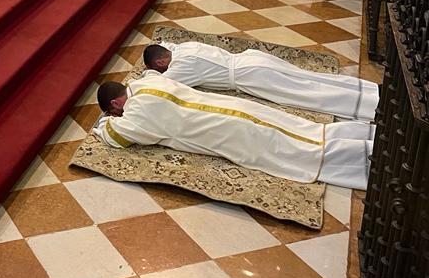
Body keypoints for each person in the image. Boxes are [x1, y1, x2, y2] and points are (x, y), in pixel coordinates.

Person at [95, 74, 373, 190]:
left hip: (223, 130)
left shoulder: (136, 114)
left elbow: (115, 137)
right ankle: (365, 137)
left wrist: (104, 122)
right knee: (303, 130)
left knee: (298, 152)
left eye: (114, 111)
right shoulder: (149, 80)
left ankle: (370, 159)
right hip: (233, 107)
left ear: (116, 104)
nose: (118, 116)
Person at [143, 41, 378, 121]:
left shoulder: (180, 67)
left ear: (162, 63)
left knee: (304, 93)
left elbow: (160, 85)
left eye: (158, 68)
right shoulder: (185, 47)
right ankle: (370, 91)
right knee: (308, 79)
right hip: (252, 58)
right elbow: (167, 45)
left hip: (249, 76)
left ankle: (371, 107)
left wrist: (148, 74)